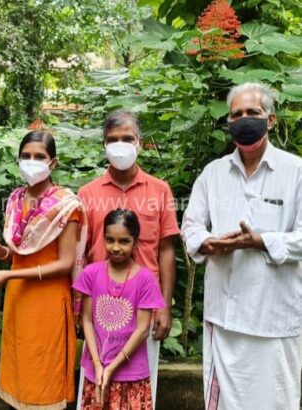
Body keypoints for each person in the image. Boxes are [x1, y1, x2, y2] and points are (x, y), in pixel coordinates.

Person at [181, 82, 302, 410]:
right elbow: (191, 225)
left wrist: (261, 241)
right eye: (236, 114)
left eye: (253, 112)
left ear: (271, 120)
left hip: (275, 319)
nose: (244, 119)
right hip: (224, 320)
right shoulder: (213, 173)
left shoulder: (295, 171)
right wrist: (208, 243)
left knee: (277, 401)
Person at [0, 130, 88, 409]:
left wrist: (10, 275)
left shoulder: (66, 206)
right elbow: (14, 256)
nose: (31, 161)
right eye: (26, 156)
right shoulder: (16, 199)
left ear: (53, 163)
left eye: (39, 156)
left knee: (44, 375)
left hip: (48, 302)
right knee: (19, 371)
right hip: (18, 299)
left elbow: (65, 264)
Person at [77, 110, 179, 408]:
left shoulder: (160, 190)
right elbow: (81, 254)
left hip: (145, 311)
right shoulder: (87, 193)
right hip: (99, 313)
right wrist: (78, 309)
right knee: (96, 387)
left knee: (140, 390)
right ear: (104, 144)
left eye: (127, 138)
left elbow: (167, 249)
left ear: (140, 143)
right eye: (113, 139)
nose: (120, 145)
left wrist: (165, 306)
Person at [73, 209, 165, 409]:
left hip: (131, 375)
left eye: (124, 241)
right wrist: (98, 365)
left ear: (135, 243)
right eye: (110, 240)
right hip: (96, 372)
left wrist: (111, 368)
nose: (115, 247)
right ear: (103, 239)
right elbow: (86, 320)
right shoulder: (90, 274)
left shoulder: (146, 279)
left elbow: (142, 330)